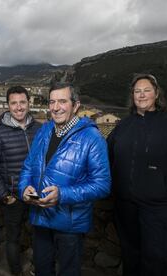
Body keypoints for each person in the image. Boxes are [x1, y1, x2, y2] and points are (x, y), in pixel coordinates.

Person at [107, 74, 167, 276]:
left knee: (155, 260)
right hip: (124, 205)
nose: (141, 95)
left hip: (156, 207)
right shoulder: (123, 125)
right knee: (130, 256)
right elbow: (105, 156)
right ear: (132, 96)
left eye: (146, 90)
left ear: (156, 94)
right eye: (137, 91)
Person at [18, 82, 111, 276]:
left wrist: (62, 195)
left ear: (75, 105)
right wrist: (24, 188)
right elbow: (28, 166)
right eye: (52, 101)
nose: (55, 107)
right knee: (42, 268)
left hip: (70, 223)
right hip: (40, 218)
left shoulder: (92, 138)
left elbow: (102, 185)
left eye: (62, 101)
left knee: (69, 271)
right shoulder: (44, 130)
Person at [0, 86, 41, 276]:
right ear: (8, 105)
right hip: (13, 196)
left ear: (29, 103)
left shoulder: (40, 129)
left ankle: (37, 269)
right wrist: (5, 196)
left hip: (37, 195)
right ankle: (16, 272)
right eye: (14, 103)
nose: (18, 107)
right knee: (13, 239)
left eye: (22, 102)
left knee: (41, 236)